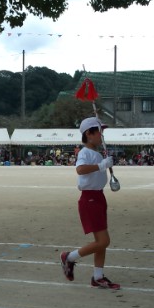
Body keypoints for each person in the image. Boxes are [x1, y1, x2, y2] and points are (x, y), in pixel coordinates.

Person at [60, 117, 120, 290]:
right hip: (90, 198)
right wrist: (101, 166)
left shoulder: (98, 153)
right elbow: (80, 169)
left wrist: (103, 165)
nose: (102, 135)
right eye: (99, 131)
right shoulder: (85, 152)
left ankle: (98, 276)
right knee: (103, 241)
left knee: (100, 241)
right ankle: (69, 257)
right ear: (89, 133)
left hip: (98, 197)